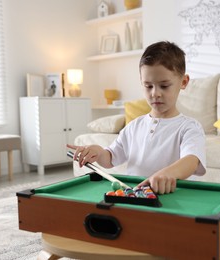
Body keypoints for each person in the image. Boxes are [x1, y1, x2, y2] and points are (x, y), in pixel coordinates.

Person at [67, 41, 206, 194]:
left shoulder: (190, 127)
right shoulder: (134, 126)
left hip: (175, 201)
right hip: (136, 198)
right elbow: (110, 158)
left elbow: (191, 161)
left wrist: (166, 174)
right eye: (148, 86)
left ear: (183, 82)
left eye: (164, 86)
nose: (155, 93)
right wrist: (99, 152)